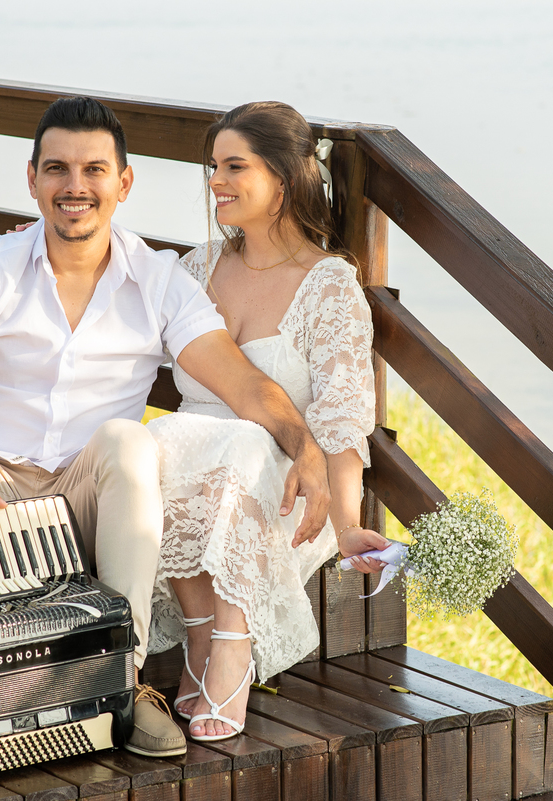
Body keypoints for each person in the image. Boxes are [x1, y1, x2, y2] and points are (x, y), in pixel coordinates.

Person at [0, 97, 333, 759]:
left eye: (94, 170)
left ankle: (121, 677)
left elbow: (242, 383)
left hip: (88, 508)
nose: (75, 186)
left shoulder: (157, 280)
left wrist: (306, 448)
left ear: (123, 183)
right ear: (33, 179)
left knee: (128, 440)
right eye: (57, 169)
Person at [143, 101, 390, 742]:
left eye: (234, 167)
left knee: (247, 445)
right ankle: (202, 632)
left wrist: (348, 524)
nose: (215, 181)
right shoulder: (197, 267)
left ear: (283, 179)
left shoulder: (328, 285)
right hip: (192, 473)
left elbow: (342, 423)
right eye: (213, 166)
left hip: (284, 484)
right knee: (154, 442)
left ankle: (232, 644)